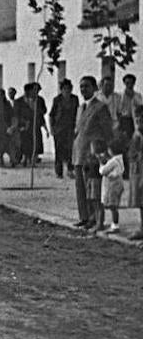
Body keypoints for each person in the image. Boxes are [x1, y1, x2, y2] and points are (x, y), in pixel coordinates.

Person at [72, 76, 115, 230]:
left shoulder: (100, 107)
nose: (83, 89)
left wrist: (103, 151)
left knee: (93, 190)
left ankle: (95, 219)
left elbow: (108, 131)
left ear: (94, 88)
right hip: (79, 152)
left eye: (87, 86)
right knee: (81, 188)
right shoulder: (80, 107)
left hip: (92, 154)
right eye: (81, 86)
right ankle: (84, 217)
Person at [50, 79, 78, 178]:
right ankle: (59, 171)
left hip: (70, 128)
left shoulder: (75, 99)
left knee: (71, 150)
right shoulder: (57, 100)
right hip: (59, 129)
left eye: (68, 89)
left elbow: (77, 114)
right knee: (59, 150)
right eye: (64, 89)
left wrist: (77, 127)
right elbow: (51, 115)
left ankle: (70, 170)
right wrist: (51, 128)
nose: (67, 91)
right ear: (61, 90)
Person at [97, 140, 125, 234]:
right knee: (115, 205)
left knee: (112, 206)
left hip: (112, 185)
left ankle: (115, 225)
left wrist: (101, 163)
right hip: (119, 184)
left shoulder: (113, 161)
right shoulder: (120, 159)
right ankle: (114, 224)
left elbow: (103, 171)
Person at [128, 106, 143, 240]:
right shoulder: (136, 135)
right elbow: (131, 153)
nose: (139, 122)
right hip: (138, 172)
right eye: (137, 119)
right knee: (140, 201)